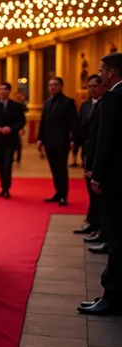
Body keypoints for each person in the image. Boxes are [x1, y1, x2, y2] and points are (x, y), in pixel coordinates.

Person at [78, 53, 122, 316]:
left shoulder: (114, 98)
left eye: (102, 70)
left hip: (116, 181)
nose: (100, 74)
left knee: (116, 238)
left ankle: (112, 296)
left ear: (113, 73)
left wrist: (97, 175)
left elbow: (107, 140)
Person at [37, 77, 80, 206]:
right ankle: (58, 192)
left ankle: (63, 195)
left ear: (61, 86)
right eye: (50, 85)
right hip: (49, 142)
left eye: (55, 85)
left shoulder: (68, 102)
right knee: (54, 169)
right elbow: (43, 123)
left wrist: (73, 141)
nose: (52, 87)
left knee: (62, 169)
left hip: (62, 141)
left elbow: (74, 123)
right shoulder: (47, 102)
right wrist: (40, 139)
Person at [75, 74, 105, 238]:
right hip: (87, 151)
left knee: (98, 190)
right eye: (90, 86)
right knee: (90, 189)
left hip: (98, 151)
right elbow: (82, 129)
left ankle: (99, 227)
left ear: (102, 87)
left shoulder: (107, 104)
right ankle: (92, 222)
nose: (92, 89)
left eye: (95, 86)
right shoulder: (85, 105)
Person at [0, 82, 26, 198]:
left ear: (9, 91)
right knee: (0, 164)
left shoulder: (16, 106)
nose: (2, 92)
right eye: (0, 89)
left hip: (11, 139)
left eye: (4, 89)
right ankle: (3, 186)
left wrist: (11, 128)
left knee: (7, 164)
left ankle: (7, 188)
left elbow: (22, 122)